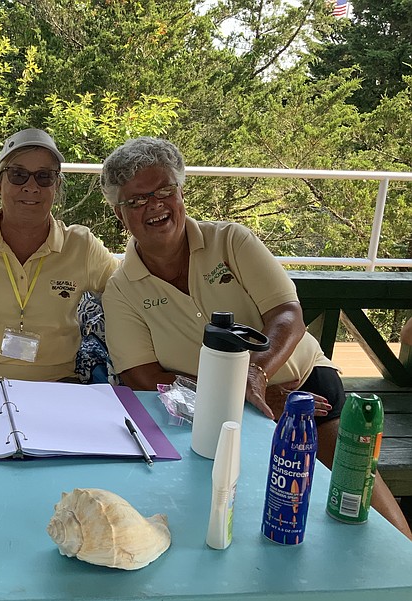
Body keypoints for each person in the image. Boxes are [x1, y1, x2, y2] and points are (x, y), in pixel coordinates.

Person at [100, 136, 412, 539]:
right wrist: (238, 397)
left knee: (368, 517)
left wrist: (258, 376)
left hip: (303, 393)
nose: (155, 205)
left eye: (164, 190)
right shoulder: (122, 289)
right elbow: (141, 375)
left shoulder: (231, 241)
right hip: (198, 413)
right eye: (137, 200)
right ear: (119, 215)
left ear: (180, 193)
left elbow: (286, 313)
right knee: (228, 526)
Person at [0, 128, 119, 382]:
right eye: (18, 175)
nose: (31, 187)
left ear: (56, 186)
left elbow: (126, 291)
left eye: (44, 177)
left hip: (58, 382)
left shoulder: (81, 245)